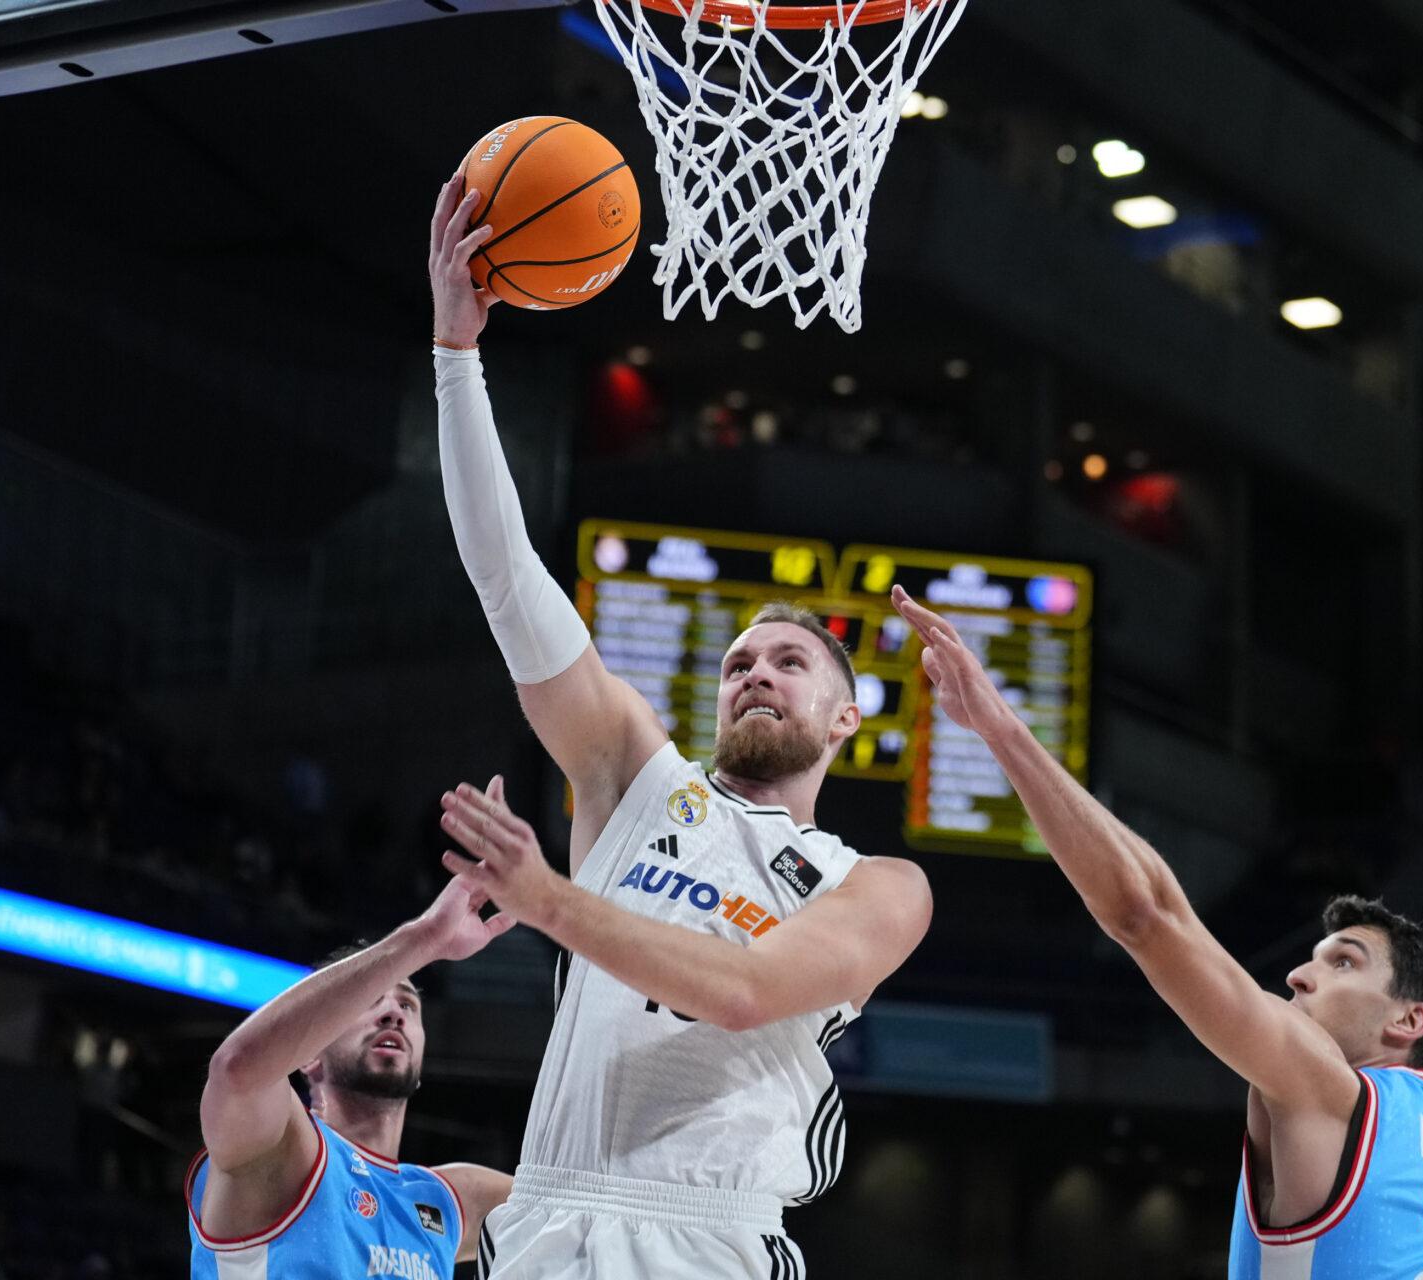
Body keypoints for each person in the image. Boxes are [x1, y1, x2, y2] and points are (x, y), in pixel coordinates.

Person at [425, 171, 934, 1280]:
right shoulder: (634, 781)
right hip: (549, 1220)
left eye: (789, 661)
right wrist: (456, 357)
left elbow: (746, 990)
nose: (755, 672)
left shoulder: (875, 883)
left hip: (707, 1234)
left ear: (846, 717)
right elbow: (509, 585)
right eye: (740, 660)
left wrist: (546, 894)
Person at [891, 587, 1423, 1280]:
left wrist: (999, 728)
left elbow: (1146, 915)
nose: (1298, 976)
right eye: (1311, 959)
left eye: (1341, 962)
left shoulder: (1327, 1090)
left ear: (1408, 1018)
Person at [188, 877, 516, 1278]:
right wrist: (424, 939)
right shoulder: (281, 1149)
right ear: (308, 1054)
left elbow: (583, 1203)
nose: (394, 1013)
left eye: (409, 1005)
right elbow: (236, 1070)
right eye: (371, 1001)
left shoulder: (444, 1199)